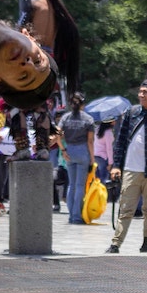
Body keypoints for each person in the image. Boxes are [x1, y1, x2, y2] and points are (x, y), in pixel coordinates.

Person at [108, 80, 147, 253]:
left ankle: (145, 243)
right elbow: (120, 141)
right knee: (125, 208)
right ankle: (115, 244)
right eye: (140, 92)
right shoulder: (131, 112)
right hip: (130, 169)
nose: (141, 95)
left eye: (145, 92)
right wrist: (116, 165)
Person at [58, 93, 96, 226]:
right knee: (80, 185)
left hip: (69, 151)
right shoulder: (88, 119)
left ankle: (71, 215)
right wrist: (92, 159)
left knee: (71, 185)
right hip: (83, 151)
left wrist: (62, 149)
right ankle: (76, 216)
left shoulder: (65, 118)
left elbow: (57, 134)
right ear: (83, 104)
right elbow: (90, 141)